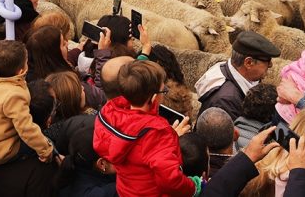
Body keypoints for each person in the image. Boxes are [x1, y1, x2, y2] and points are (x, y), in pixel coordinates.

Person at [94, 59, 194, 197]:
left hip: (126, 190)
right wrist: (193, 188)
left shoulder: (108, 115)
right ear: (153, 98)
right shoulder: (157, 132)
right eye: (163, 90)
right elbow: (170, 180)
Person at [0, 40, 55, 171]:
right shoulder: (14, 95)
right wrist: (46, 150)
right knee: (48, 142)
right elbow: (26, 129)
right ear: (21, 70)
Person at [196, 30, 280, 119]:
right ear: (248, 63)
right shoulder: (226, 101)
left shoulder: (241, 77)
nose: (271, 65)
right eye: (267, 61)